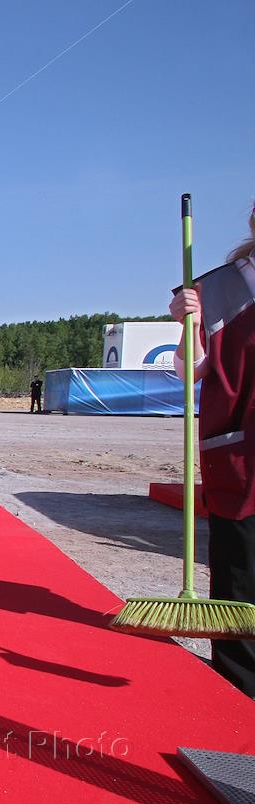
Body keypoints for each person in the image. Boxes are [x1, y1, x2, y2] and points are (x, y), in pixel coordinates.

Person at [169, 205, 255, 699]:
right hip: (241, 450)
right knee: (240, 571)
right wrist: (188, 325)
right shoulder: (214, 290)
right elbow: (189, 372)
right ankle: (240, 689)